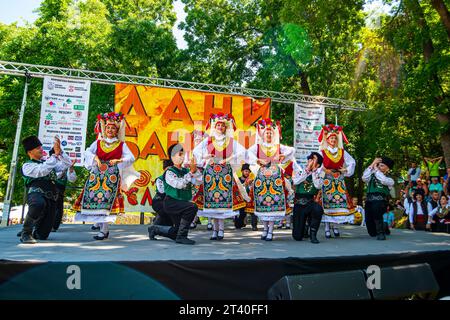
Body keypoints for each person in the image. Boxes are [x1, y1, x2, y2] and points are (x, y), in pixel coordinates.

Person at [73, 112, 139, 240]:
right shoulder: (98, 142)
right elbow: (87, 151)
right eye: (108, 127)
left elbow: (131, 157)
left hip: (111, 177)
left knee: (106, 202)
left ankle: (104, 230)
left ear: (117, 130)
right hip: (96, 176)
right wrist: (95, 157)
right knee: (95, 199)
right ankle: (99, 225)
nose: (110, 130)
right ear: (105, 129)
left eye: (113, 128)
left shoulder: (121, 145)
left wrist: (119, 160)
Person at [193, 113, 250, 240]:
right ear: (215, 126)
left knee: (222, 203)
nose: (220, 127)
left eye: (222, 125)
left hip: (225, 175)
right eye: (218, 125)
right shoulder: (208, 140)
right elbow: (195, 151)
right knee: (213, 204)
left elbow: (242, 151)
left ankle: (221, 230)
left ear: (225, 128)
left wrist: (229, 158)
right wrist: (205, 156)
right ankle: (215, 230)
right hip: (211, 174)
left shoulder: (230, 141)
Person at [246, 118, 296, 241]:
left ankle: (271, 231)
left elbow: (292, 150)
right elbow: (247, 154)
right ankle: (264, 229)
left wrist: (284, 155)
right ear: (262, 135)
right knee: (263, 204)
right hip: (262, 180)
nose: (268, 134)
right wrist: (258, 160)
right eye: (266, 133)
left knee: (273, 205)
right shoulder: (257, 146)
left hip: (275, 180)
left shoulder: (278, 146)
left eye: (270, 133)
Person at [19, 136, 71, 243]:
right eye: (38, 148)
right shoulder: (27, 165)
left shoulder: (48, 162)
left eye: (41, 147)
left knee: (42, 235)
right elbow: (42, 171)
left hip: (51, 199)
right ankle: (26, 232)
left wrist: (60, 152)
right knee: (38, 203)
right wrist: (54, 155)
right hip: (36, 194)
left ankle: (35, 229)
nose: (41, 149)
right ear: (30, 152)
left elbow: (67, 164)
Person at [318, 124, 356, 238]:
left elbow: (352, 162)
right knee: (328, 202)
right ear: (327, 140)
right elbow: (317, 163)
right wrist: (324, 170)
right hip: (327, 178)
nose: (333, 140)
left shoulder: (342, 151)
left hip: (338, 178)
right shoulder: (323, 151)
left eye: (335, 138)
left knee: (338, 202)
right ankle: (327, 227)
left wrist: (345, 170)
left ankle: (335, 226)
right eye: (331, 138)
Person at [160, 143, 203, 244]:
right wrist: (190, 173)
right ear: (172, 157)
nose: (182, 157)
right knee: (192, 207)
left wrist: (195, 171)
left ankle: (155, 229)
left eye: (183, 154)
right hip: (171, 203)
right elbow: (179, 184)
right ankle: (182, 237)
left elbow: (199, 181)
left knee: (176, 231)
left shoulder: (186, 170)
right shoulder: (169, 171)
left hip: (182, 203)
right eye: (179, 154)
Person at [292, 152, 324, 243]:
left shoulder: (321, 173)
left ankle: (313, 234)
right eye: (309, 160)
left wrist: (314, 171)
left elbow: (318, 185)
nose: (310, 162)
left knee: (318, 209)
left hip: (310, 202)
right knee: (297, 237)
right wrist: (307, 171)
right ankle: (304, 228)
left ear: (318, 164)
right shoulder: (300, 171)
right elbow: (296, 181)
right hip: (299, 203)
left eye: (313, 160)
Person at [362, 156, 395, 240]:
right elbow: (364, 178)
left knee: (377, 209)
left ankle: (381, 233)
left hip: (381, 201)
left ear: (387, 169)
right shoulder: (372, 175)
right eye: (379, 165)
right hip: (369, 200)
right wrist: (372, 164)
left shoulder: (390, 179)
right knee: (371, 231)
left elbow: (383, 180)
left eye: (382, 165)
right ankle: (384, 227)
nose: (379, 167)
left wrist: (376, 170)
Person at [147, 159, 176, 240]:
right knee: (167, 212)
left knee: (167, 217)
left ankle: (154, 228)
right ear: (164, 169)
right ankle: (156, 228)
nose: (170, 171)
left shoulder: (175, 178)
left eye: (171, 169)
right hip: (159, 201)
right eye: (168, 169)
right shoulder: (160, 179)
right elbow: (162, 191)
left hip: (168, 202)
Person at [50, 148, 77, 232]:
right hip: (50, 186)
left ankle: (54, 226)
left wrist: (71, 168)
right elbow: (53, 176)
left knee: (58, 206)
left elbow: (72, 179)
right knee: (48, 206)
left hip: (60, 188)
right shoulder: (50, 163)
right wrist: (62, 172)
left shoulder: (66, 164)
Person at [234, 163, 255, 230]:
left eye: (248, 172)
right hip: (241, 199)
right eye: (246, 171)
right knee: (242, 214)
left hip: (250, 199)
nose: (247, 173)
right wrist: (244, 184)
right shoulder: (238, 180)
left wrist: (251, 183)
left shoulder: (251, 180)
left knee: (253, 212)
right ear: (242, 171)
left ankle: (254, 225)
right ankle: (239, 223)